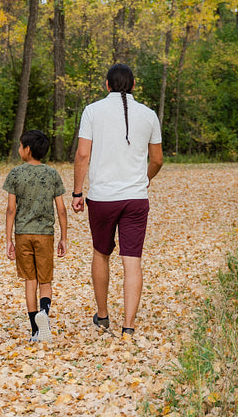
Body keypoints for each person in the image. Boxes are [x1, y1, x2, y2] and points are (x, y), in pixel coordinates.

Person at [72, 63, 163, 337]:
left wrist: (78, 192)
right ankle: (129, 326)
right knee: (132, 259)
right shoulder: (149, 115)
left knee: (101, 253)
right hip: (136, 198)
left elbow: (82, 155)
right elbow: (157, 160)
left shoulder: (92, 111)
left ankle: (102, 316)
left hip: (102, 198)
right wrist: (144, 180)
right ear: (133, 85)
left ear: (107, 85)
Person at [3, 129, 67, 343]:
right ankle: (44, 315)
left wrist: (8, 239)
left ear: (27, 149)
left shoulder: (15, 174)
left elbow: (11, 209)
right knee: (45, 280)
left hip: (22, 234)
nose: (19, 149)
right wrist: (63, 237)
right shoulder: (52, 174)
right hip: (45, 235)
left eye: (21, 146)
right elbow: (61, 209)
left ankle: (35, 331)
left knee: (30, 280)